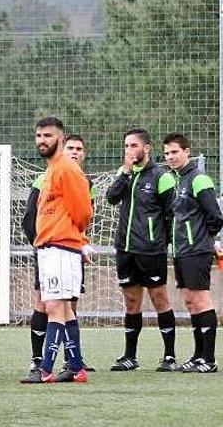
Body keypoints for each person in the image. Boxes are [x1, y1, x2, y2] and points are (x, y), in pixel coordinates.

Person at [21, 117, 93, 384]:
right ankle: (75, 367)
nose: (42, 140)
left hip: (62, 246)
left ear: (60, 139)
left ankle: (46, 368)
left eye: (48, 135)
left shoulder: (67, 169)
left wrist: (71, 235)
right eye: (39, 135)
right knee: (62, 308)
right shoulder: (51, 170)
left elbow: (83, 211)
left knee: (54, 306)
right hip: (50, 247)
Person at [105, 129, 179, 372]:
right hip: (125, 249)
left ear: (146, 148)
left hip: (151, 250)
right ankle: (130, 356)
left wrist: (160, 242)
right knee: (131, 301)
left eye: (134, 145)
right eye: (126, 146)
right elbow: (111, 198)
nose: (129, 150)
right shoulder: (124, 174)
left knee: (160, 299)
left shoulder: (161, 176)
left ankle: (169, 356)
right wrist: (125, 173)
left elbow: (172, 215)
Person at [162, 133, 222, 373]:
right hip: (181, 251)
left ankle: (209, 360)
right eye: (167, 153)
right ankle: (198, 356)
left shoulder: (199, 179)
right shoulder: (175, 181)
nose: (170, 157)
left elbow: (216, 217)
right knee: (190, 302)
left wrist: (202, 239)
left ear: (187, 151)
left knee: (200, 300)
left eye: (175, 152)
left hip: (196, 250)